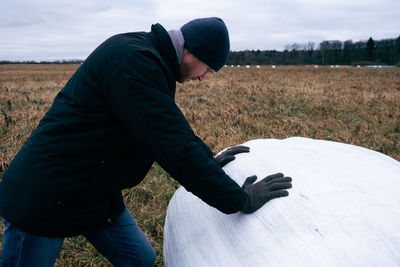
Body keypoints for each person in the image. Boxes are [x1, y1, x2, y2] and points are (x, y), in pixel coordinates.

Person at [0, 17, 292, 266]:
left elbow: (170, 126)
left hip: (92, 193)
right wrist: (240, 199)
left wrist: (207, 160)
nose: (203, 78)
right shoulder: (136, 62)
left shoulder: (149, 58)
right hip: (46, 195)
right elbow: (172, 145)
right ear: (194, 53)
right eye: (208, 69)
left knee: (138, 258)